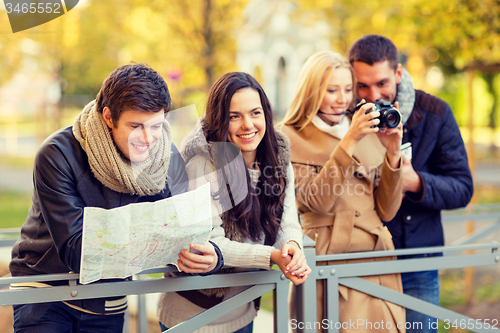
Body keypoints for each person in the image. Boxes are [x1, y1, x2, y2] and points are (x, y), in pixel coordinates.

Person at [9, 63, 221, 332]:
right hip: (45, 289)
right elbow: (78, 249)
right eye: (136, 126)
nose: (148, 138)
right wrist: (159, 235)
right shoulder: (57, 154)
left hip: (108, 297)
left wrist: (206, 256)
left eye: (156, 125)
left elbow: (187, 233)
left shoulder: (166, 157)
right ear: (108, 117)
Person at [157, 72, 311, 332]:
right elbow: (212, 245)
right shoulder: (201, 163)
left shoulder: (278, 155)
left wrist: (292, 246)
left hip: (242, 309)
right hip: (193, 317)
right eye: (234, 116)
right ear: (219, 119)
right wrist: (273, 256)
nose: (248, 125)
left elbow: (288, 220)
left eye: (255, 113)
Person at [348, 35, 474, 333]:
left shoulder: (436, 113)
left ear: (399, 74)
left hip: (417, 260)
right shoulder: (344, 116)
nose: (372, 94)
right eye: (362, 85)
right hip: (360, 261)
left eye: (382, 83)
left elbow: (463, 187)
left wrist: (416, 183)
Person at [281, 51, 406, 332]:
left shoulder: (368, 131)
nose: (342, 99)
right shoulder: (289, 137)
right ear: (312, 92)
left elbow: (386, 211)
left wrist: (393, 153)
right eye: (332, 90)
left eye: (348, 89)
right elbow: (318, 201)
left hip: (376, 257)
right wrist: (349, 140)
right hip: (328, 258)